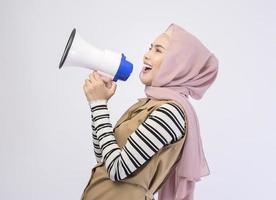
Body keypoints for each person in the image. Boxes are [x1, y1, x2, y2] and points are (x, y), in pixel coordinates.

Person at [81, 23, 218, 200]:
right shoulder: (145, 106)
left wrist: (98, 103)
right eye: (150, 48)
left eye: (158, 50)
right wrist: (98, 105)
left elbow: (118, 170)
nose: (146, 55)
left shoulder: (171, 113)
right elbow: (103, 158)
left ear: (177, 64)